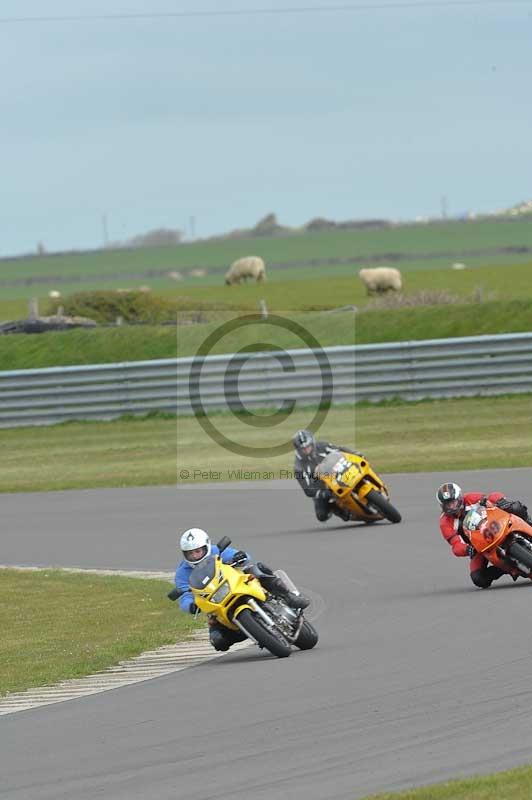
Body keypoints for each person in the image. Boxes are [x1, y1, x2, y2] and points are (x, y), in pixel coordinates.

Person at [174, 527, 309, 652]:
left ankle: (289, 596)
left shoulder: (217, 551)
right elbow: (184, 595)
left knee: (257, 568)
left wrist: (240, 556)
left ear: (207, 546)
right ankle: (253, 632)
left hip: (236, 584)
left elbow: (242, 556)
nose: (195, 556)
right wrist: (190, 605)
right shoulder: (182, 572)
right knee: (218, 641)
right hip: (216, 602)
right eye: (190, 553)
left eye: (198, 551)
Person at [437, 481, 532, 589]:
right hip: (478, 546)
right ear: (442, 506)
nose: (452, 507)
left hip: (494, 525)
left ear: (459, 497)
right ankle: (507, 567)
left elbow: (491, 497)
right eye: (448, 504)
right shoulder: (445, 522)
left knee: (515, 507)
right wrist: (467, 549)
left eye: (453, 502)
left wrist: (501, 501)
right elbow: (455, 545)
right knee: (478, 577)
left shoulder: (470, 498)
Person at [292, 429, 364, 522]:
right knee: (321, 516)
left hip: (339, 471)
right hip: (323, 487)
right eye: (303, 449)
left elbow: (340, 450)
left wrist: (356, 454)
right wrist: (321, 493)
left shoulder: (322, 446)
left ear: (312, 442)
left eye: (308, 446)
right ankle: (340, 510)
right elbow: (307, 489)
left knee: (358, 467)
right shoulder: (298, 466)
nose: (306, 450)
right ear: (298, 449)